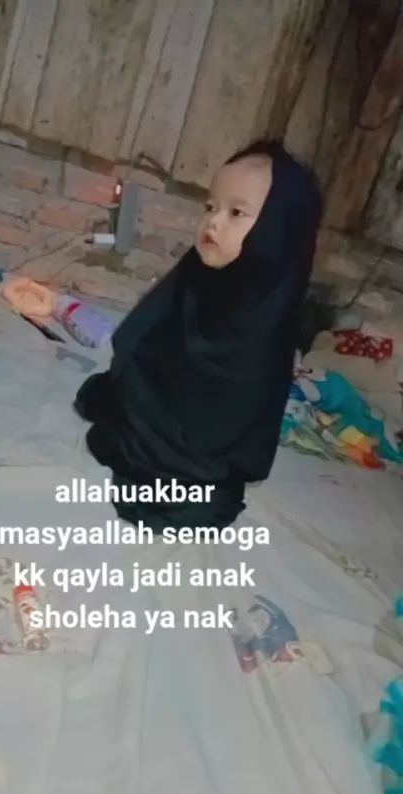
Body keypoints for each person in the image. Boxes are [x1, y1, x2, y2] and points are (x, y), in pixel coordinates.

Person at [74, 139, 322, 532]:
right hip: (144, 422)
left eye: (236, 212)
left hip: (201, 455)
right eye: (210, 207)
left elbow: (236, 421)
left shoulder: (265, 322)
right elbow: (139, 347)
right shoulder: (190, 282)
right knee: (112, 407)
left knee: (193, 502)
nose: (213, 222)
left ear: (279, 229)